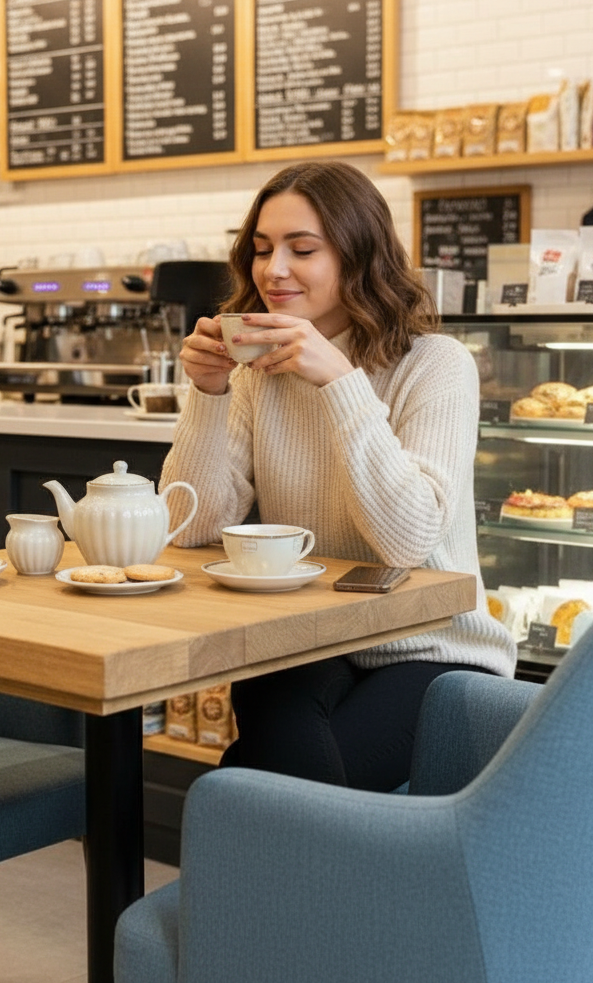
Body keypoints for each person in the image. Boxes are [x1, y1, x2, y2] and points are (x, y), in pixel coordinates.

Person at [160, 160, 516, 793]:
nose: (274, 271)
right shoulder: (254, 373)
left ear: (359, 256)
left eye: (303, 249)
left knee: (257, 783)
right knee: (263, 764)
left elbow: (405, 542)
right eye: (262, 250)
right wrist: (209, 395)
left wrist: (340, 381)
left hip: (431, 648)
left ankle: (251, 882)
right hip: (308, 637)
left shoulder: (437, 365)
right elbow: (191, 528)